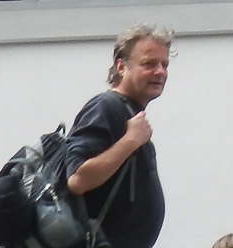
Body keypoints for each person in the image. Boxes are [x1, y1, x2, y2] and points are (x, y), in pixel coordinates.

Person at [65, 24, 171, 248]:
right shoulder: (106, 107)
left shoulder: (128, 112)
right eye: (149, 64)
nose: (160, 72)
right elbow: (77, 179)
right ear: (121, 66)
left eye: (164, 64)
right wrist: (130, 141)